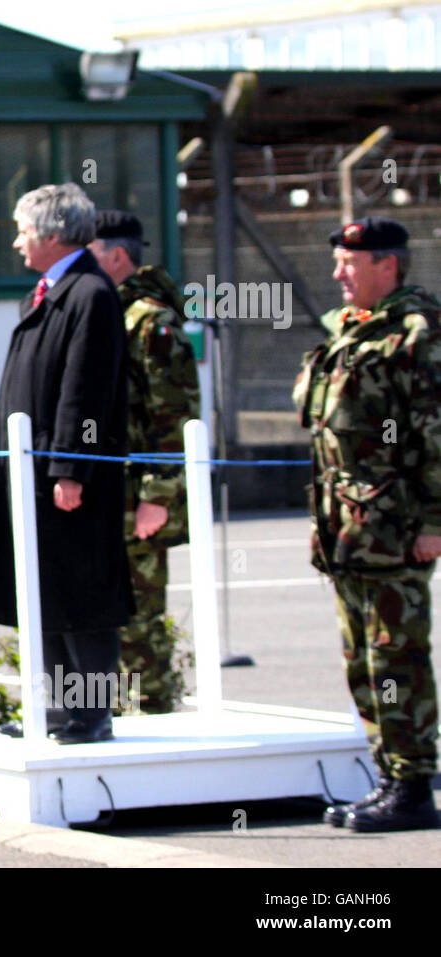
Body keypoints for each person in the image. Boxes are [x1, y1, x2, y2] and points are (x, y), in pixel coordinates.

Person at [0, 184, 132, 744]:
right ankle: (59, 711)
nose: (18, 242)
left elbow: (86, 392)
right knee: (46, 597)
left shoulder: (90, 295)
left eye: (24, 231)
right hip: (30, 471)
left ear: (54, 235)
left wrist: (70, 470)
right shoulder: (46, 293)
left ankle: (92, 713)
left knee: (82, 597)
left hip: (66, 479)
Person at [294, 216, 440, 832]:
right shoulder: (350, 333)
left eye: (350, 264)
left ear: (388, 265)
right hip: (347, 528)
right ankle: (387, 776)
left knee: (395, 657)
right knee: (362, 660)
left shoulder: (416, 334)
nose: (338, 274)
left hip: (395, 526)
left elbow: (435, 435)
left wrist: (435, 519)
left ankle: (412, 784)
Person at [88, 210, 200, 714]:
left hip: (139, 498)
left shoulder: (152, 322)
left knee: (140, 619)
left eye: (87, 252)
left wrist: (158, 495)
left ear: (117, 256)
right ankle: (111, 719)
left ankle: (157, 718)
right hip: (107, 491)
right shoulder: (107, 309)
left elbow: (174, 416)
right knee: (106, 614)